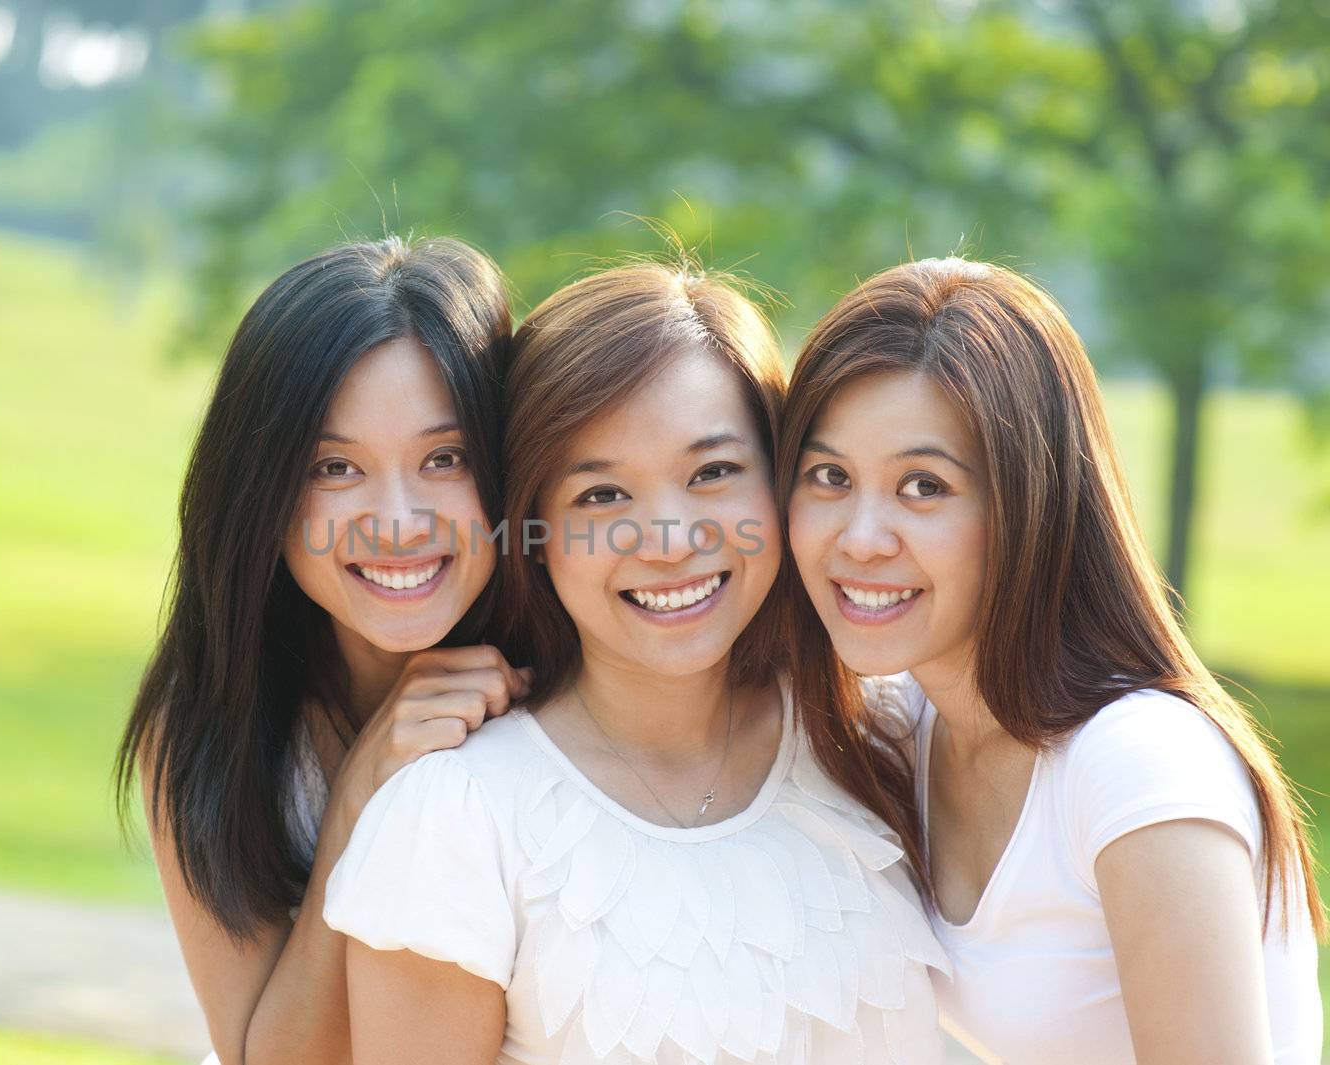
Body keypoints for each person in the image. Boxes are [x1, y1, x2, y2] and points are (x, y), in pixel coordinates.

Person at [323, 263, 948, 1065]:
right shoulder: (455, 819)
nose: (668, 539)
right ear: (535, 530)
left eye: (712, 473)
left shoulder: (887, 732)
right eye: (601, 496)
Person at [779, 256, 1324, 1064]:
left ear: (1030, 504)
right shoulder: (906, 724)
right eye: (829, 476)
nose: (859, 537)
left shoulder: (1136, 766)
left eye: (923, 486)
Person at [114, 236, 531, 1065]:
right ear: (262, 493)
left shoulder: (578, 680)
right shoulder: (208, 723)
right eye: (335, 468)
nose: (400, 521)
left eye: (443, 458)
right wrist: (357, 800)